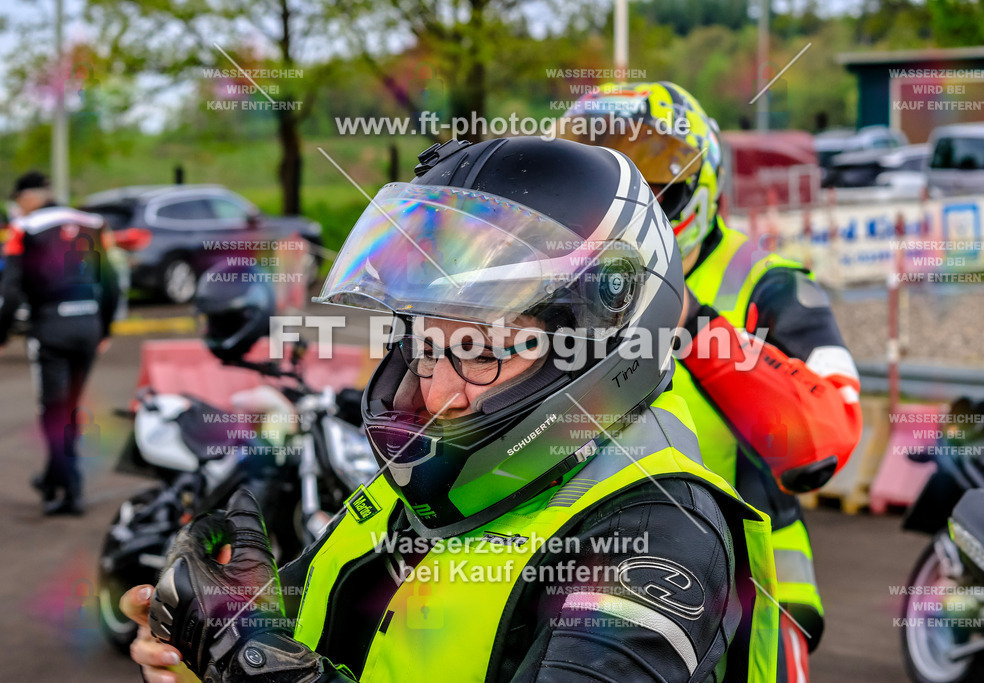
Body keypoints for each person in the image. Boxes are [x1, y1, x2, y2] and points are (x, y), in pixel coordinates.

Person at [121, 136, 785, 682]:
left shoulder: (657, 538)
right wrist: (210, 636)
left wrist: (260, 672)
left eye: (485, 349)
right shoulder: (436, 482)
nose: (439, 394)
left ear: (600, 349)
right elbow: (295, 631)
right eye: (427, 346)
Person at [562, 82, 864, 678]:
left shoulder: (772, 283)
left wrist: (693, 323)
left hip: (750, 588)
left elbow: (829, 431)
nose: (633, 208)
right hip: (587, 569)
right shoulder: (561, 281)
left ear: (701, 184)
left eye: (657, 183)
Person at [0, 171, 119, 515]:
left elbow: (9, 290)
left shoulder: (26, 228)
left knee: (53, 410)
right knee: (69, 407)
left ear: (27, 197)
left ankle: (69, 490)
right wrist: (106, 328)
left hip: (50, 327)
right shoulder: (91, 222)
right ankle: (57, 479)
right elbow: (112, 283)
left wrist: (2, 333)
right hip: (89, 324)